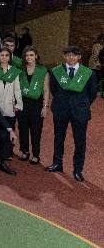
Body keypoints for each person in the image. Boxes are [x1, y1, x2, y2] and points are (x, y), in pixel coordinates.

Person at [46, 46, 99, 182]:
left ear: (79, 57)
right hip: (61, 109)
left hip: (80, 111)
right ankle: (57, 163)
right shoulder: (56, 71)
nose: (71, 58)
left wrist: (82, 104)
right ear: (64, 56)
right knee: (58, 138)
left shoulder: (88, 73)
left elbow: (92, 94)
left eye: (74, 55)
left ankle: (77, 170)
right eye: (68, 55)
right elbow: (53, 89)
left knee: (80, 141)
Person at [18, 47, 51, 165]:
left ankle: (36, 154)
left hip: (36, 104)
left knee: (36, 130)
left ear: (36, 56)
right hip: (22, 102)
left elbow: (46, 90)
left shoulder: (43, 70)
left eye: (31, 55)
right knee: (22, 128)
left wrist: (45, 106)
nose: (29, 58)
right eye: (27, 55)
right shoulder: (21, 70)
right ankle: (24, 150)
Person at [0, 48, 23, 134]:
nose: (4, 57)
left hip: (10, 107)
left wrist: (18, 104)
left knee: (10, 136)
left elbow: (17, 89)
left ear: (10, 57)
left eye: (7, 55)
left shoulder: (14, 71)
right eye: (2, 55)